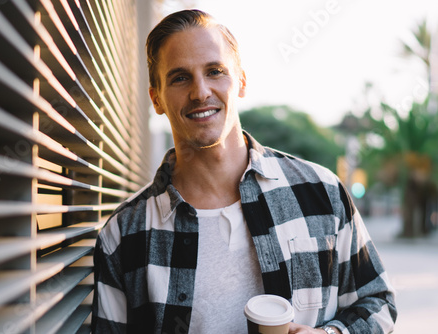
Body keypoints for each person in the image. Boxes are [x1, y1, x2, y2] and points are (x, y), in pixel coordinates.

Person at [92, 9, 397, 334]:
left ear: (241, 82)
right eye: (180, 77)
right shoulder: (123, 235)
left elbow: (378, 303)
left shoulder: (322, 193)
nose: (200, 92)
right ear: (156, 99)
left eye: (215, 71)